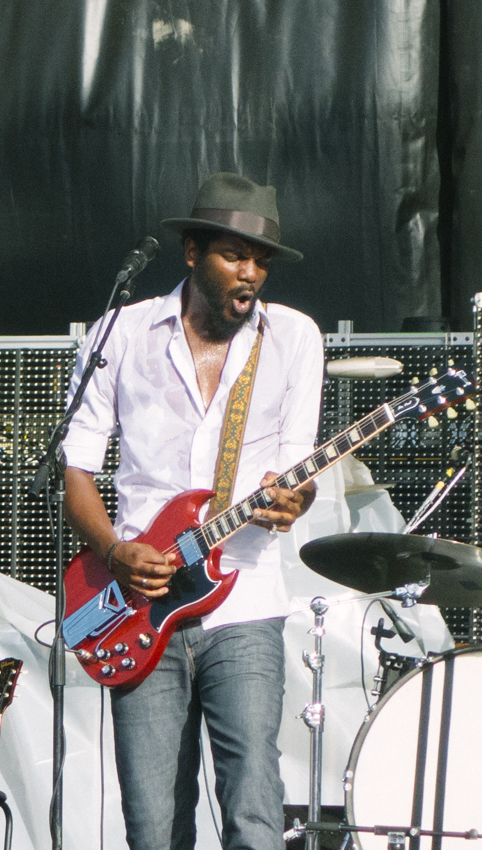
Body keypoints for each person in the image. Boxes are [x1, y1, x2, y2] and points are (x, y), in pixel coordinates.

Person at [62, 172, 324, 850]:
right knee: (153, 825)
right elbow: (76, 473)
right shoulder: (118, 334)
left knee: (254, 807)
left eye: (261, 259)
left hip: (246, 601)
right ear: (192, 255)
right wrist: (116, 551)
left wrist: (294, 500)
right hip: (137, 600)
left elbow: (298, 471)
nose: (251, 272)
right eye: (235, 254)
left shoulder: (293, 338)